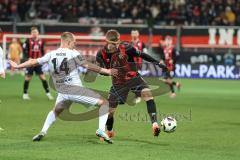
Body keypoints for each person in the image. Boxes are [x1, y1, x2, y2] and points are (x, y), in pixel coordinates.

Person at [9, 32, 118, 143]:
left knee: (56, 111)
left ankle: (43, 131)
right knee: (104, 103)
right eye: (74, 42)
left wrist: (18, 66)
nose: (75, 44)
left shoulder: (51, 54)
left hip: (62, 90)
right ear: (68, 42)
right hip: (74, 89)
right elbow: (87, 65)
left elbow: (33, 62)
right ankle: (100, 129)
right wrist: (107, 71)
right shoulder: (73, 53)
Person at [96, 29, 167, 139]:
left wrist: (157, 63)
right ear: (107, 41)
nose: (117, 45)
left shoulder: (126, 47)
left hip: (134, 78)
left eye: (117, 42)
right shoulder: (101, 54)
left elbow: (142, 55)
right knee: (110, 112)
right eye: (114, 44)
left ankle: (154, 124)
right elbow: (101, 70)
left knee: (147, 94)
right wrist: (107, 72)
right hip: (118, 83)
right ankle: (109, 130)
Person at [22, 27, 53, 100]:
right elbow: (24, 50)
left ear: (38, 33)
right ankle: (25, 94)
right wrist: (27, 58)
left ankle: (48, 94)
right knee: (28, 78)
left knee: (43, 77)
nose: (34, 34)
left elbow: (42, 51)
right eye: (33, 32)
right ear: (31, 33)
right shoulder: (27, 41)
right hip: (30, 62)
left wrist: (42, 59)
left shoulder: (41, 41)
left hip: (38, 62)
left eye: (35, 32)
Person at [130, 30, 148, 104]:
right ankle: (140, 93)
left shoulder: (142, 44)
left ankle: (138, 95)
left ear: (138, 34)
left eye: (135, 33)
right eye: (133, 33)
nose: (134, 34)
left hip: (138, 65)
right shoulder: (129, 44)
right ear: (131, 34)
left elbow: (145, 53)